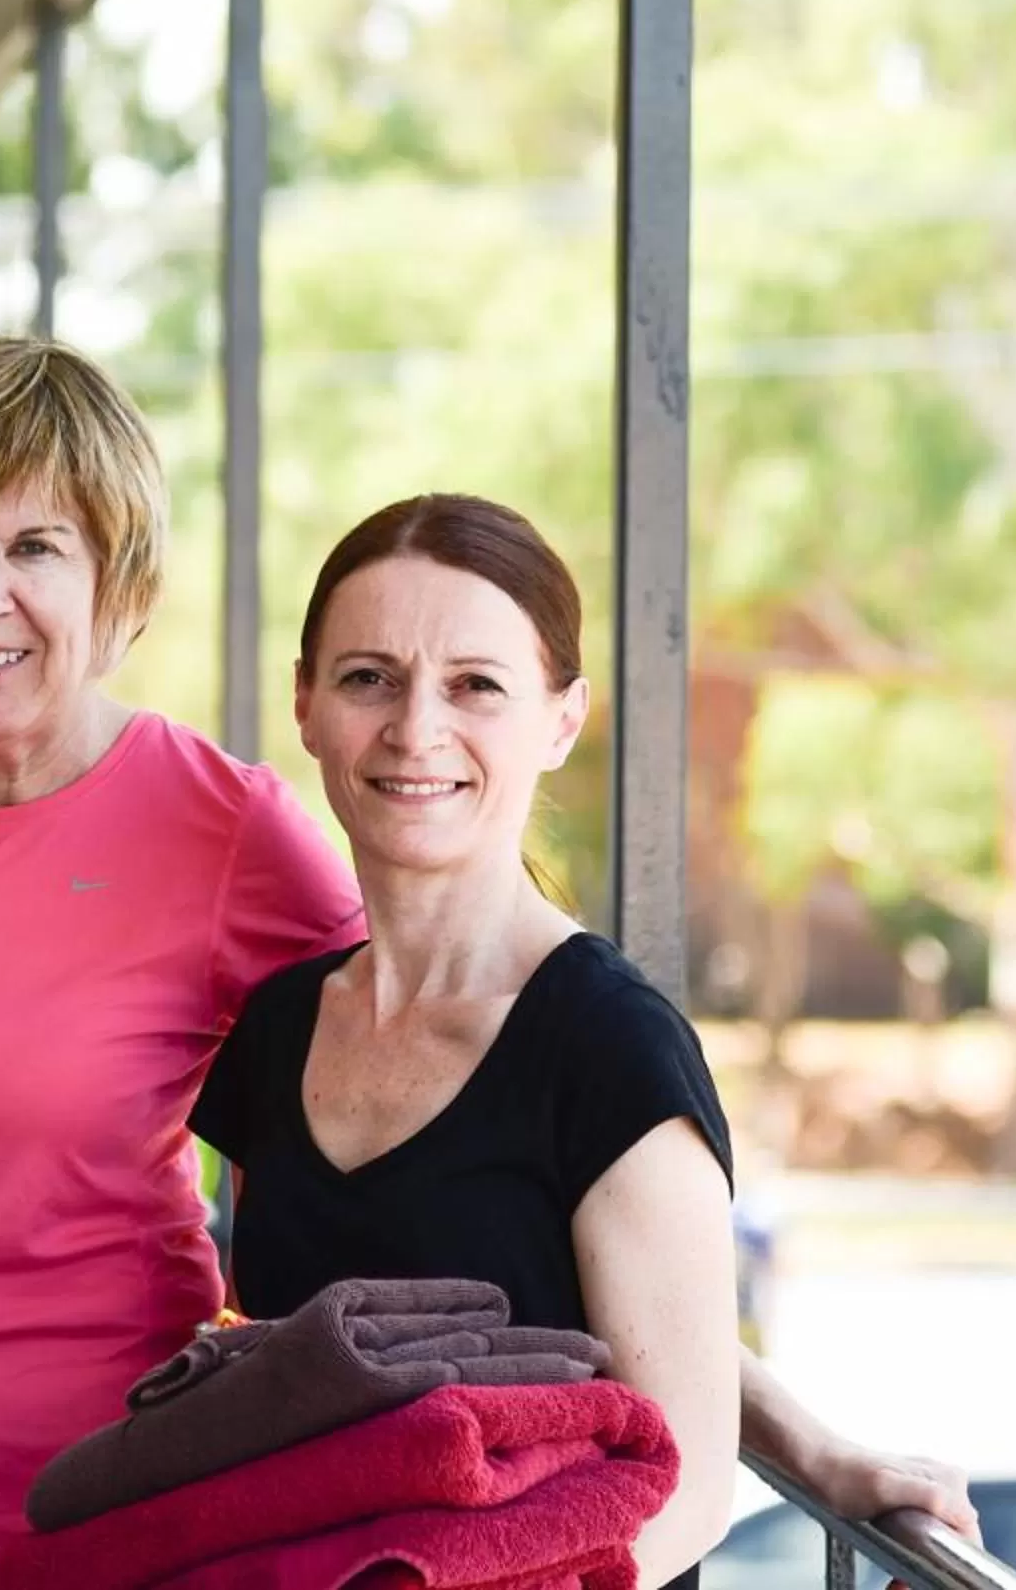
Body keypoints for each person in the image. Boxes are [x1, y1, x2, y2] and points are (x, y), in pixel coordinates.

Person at [0, 338, 975, 1590]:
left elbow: (528, 1152)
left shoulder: (232, 841)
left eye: (35, 544)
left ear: (117, 581)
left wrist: (800, 1438)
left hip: (115, 1542)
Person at [191, 494, 734, 1583]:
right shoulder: (281, 1024)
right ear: (305, 704)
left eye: (475, 685)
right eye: (368, 678)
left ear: (563, 717)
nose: (415, 730)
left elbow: (690, 1476)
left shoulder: (612, 1048)